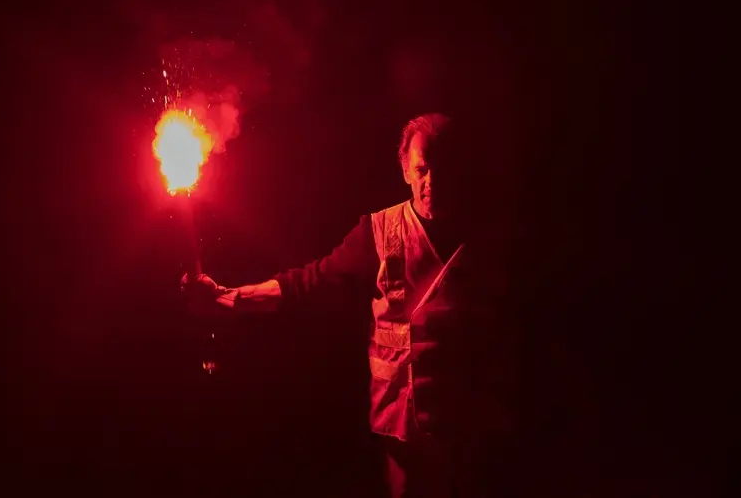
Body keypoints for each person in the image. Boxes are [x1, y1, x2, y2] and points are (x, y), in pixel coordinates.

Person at [181, 113, 515, 497]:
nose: (431, 182)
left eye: (444, 168)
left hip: (473, 428)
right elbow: (310, 283)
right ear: (405, 170)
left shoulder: (495, 239)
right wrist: (230, 298)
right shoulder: (376, 232)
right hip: (401, 429)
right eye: (422, 169)